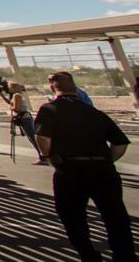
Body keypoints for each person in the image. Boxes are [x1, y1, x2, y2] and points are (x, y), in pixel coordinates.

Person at [36, 71, 135, 261]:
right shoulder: (94, 112)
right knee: (115, 215)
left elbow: (42, 137)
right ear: (74, 87)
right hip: (103, 170)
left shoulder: (49, 109)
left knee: (72, 215)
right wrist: (107, 161)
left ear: (52, 88)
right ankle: (125, 255)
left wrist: (48, 156)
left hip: (70, 170)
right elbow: (120, 143)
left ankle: (88, 255)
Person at [7, 81, 46, 164]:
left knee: (32, 137)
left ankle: (42, 156)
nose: (8, 88)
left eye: (9, 87)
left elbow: (16, 108)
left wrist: (10, 107)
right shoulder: (17, 95)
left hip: (24, 118)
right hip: (25, 117)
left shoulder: (16, 95)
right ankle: (42, 156)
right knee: (31, 137)